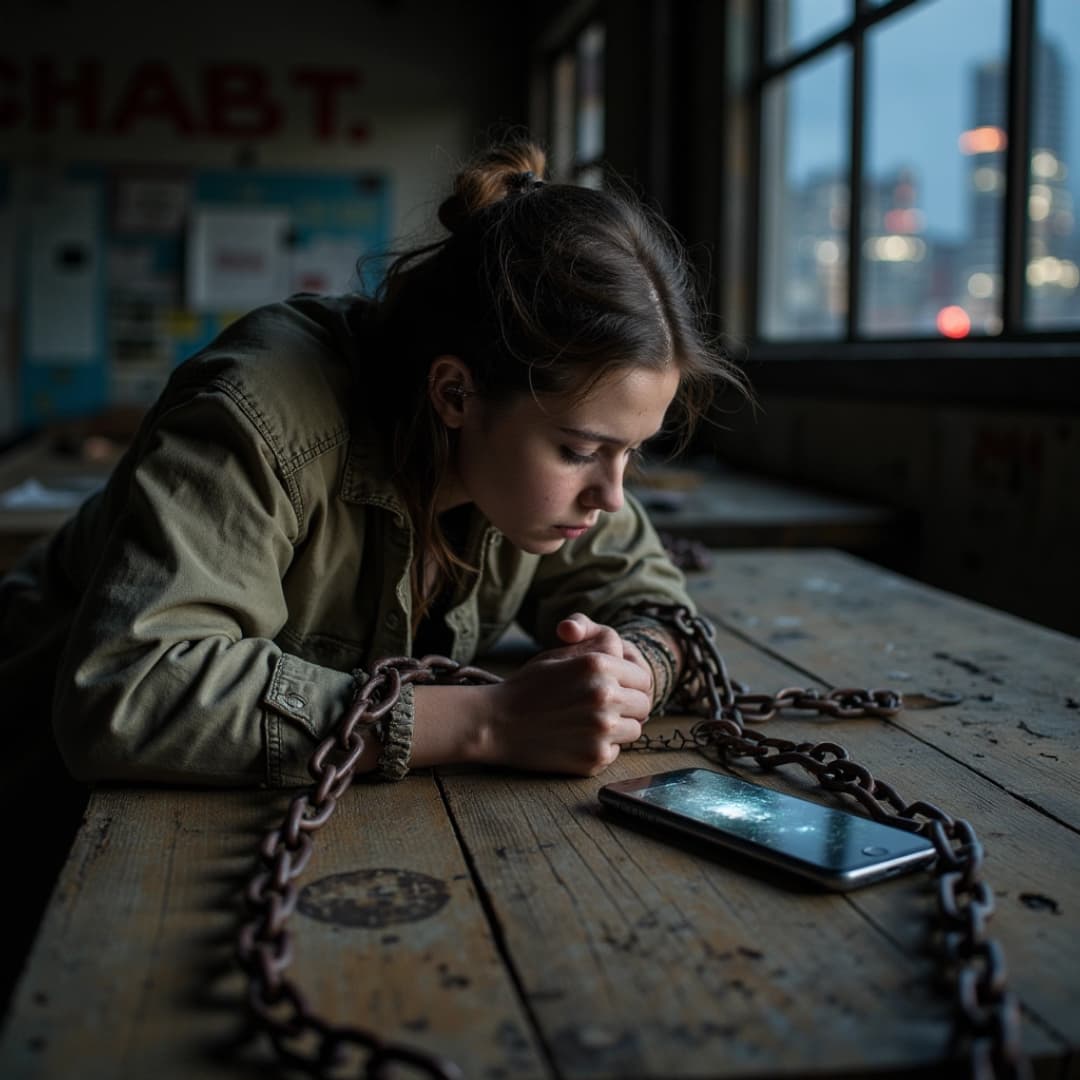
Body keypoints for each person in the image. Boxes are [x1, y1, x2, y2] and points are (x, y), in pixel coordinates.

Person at [0, 137, 745, 789]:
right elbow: (130, 694)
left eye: (630, 454)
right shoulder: (253, 415)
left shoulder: (542, 471)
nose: (611, 497)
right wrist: (488, 721)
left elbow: (654, 600)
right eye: (581, 451)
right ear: (455, 392)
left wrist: (628, 674)